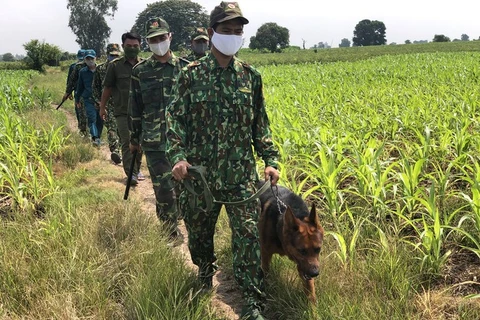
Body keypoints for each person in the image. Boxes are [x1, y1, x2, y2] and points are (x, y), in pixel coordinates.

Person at [166, 2, 279, 319]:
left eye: (238, 31)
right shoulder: (190, 75)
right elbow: (174, 120)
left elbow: (261, 125)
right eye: (226, 31)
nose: (233, 36)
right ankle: (204, 269)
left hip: (242, 177)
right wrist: (178, 157)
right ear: (212, 33)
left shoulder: (250, 77)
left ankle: (252, 303)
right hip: (200, 178)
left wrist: (269, 160)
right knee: (200, 235)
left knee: (248, 240)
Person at [129, 17, 189, 237]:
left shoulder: (185, 68)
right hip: (154, 141)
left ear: (170, 37)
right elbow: (134, 107)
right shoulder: (140, 71)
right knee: (163, 189)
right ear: (147, 42)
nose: (159, 42)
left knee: (183, 188)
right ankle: (169, 229)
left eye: (162, 37)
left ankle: (182, 218)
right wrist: (134, 140)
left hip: (183, 142)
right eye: (153, 39)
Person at [100, 33, 144, 185]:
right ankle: (130, 173)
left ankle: (136, 168)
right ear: (123, 46)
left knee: (139, 143)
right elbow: (108, 87)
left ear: (140, 46)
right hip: (122, 112)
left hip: (142, 113)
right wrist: (102, 107)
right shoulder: (115, 66)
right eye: (128, 46)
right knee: (126, 142)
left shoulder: (145, 65)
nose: (132, 49)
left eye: (135, 46)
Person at [93, 43, 122, 164]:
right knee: (111, 128)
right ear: (107, 54)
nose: (114, 58)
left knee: (123, 129)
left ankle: (122, 149)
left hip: (122, 103)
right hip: (108, 104)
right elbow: (95, 87)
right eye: (112, 55)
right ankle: (115, 150)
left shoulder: (124, 67)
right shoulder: (100, 69)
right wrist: (99, 103)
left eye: (116, 55)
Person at [76, 49, 103, 146]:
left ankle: (98, 136)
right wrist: (77, 99)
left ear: (95, 58)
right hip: (89, 99)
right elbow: (80, 86)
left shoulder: (101, 70)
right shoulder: (83, 72)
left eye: (91, 58)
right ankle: (95, 138)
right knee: (92, 119)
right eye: (88, 58)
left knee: (100, 120)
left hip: (101, 100)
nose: (90, 60)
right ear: (85, 60)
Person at [63, 49, 88, 137]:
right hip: (78, 92)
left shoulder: (90, 66)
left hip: (88, 92)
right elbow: (70, 80)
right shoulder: (74, 66)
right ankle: (82, 128)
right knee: (79, 110)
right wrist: (68, 92)